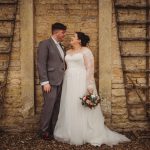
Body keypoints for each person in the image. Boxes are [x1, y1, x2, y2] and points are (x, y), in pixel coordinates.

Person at [54, 32, 130, 146]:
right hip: (69, 80)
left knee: (81, 105)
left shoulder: (86, 51)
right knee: (70, 104)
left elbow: (90, 68)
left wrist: (89, 85)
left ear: (79, 40)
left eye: (74, 37)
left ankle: (86, 132)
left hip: (81, 79)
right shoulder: (68, 52)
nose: (71, 38)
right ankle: (70, 131)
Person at [37, 22, 67, 140]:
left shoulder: (61, 46)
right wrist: (45, 82)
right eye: (63, 32)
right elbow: (41, 63)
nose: (64, 35)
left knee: (57, 107)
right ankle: (44, 131)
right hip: (50, 83)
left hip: (61, 81)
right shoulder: (45, 44)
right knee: (48, 107)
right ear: (56, 32)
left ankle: (54, 130)